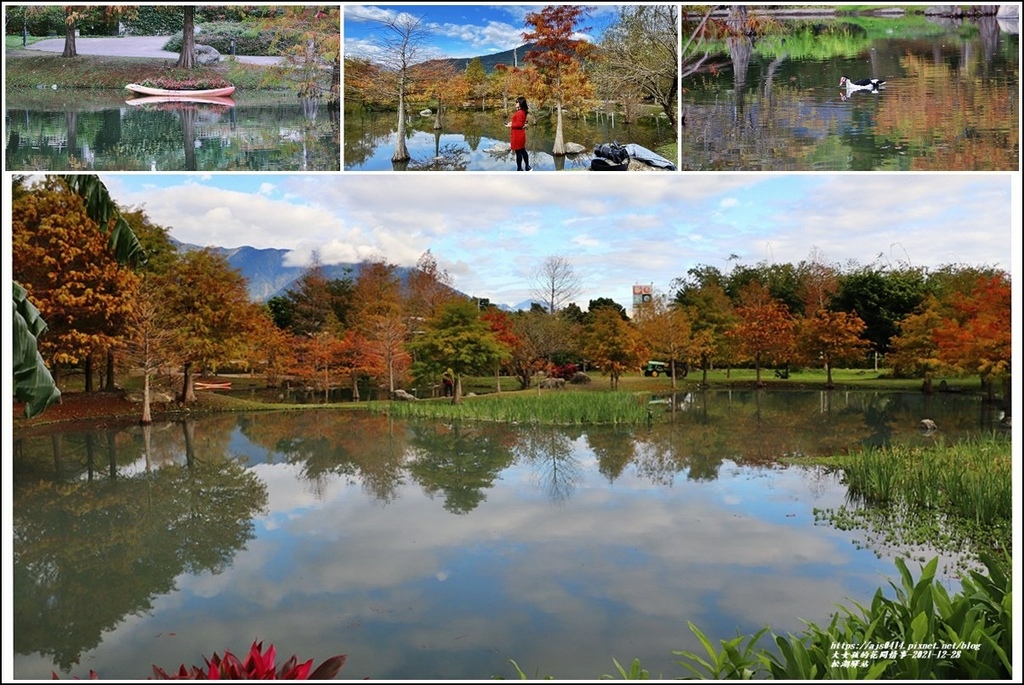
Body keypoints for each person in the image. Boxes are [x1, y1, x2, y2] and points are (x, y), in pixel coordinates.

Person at [505, 96, 532, 171]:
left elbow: (520, 125)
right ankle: (527, 167)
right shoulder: (522, 111)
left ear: (520, 103)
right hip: (520, 134)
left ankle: (519, 169)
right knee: (523, 150)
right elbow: (520, 122)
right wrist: (512, 122)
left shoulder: (520, 112)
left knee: (518, 152)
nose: (515, 103)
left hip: (517, 135)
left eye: (517, 102)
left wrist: (510, 125)